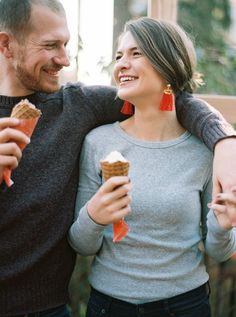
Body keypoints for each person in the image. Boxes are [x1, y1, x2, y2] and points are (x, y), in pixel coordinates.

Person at [0, 1, 235, 316]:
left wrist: (224, 139)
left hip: (52, 308)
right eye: (50, 45)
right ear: (6, 45)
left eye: (66, 44)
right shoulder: (98, 136)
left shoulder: (79, 107)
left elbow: (168, 98)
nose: (65, 58)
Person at [69, 18, 236, 317]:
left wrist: (223, 227)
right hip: (109, 306)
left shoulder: (203, 153)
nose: (122, 64)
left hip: (185, 306)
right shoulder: (97, 142)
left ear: (168, 64)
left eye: (136, 53)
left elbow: (218, 251)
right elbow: (83, 246)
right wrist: (94, 216)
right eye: (119, 56)